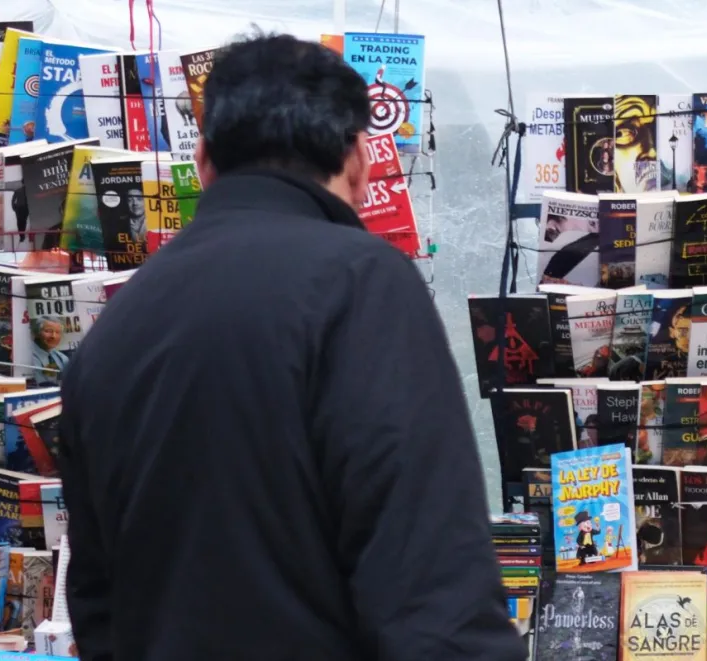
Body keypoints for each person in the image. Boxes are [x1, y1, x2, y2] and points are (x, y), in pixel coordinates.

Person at [58, 32, 526, 661]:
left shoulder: (120, 321)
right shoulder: (362, 283)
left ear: (203, 160)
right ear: (359, 160)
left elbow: (96, 602)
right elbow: (432, 586)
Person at [31, 316, 69, 386]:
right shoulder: (26, 356)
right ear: (37, 333)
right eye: (48, 331)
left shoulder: (62, 358)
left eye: (57, 332)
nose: (53, 336)